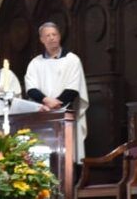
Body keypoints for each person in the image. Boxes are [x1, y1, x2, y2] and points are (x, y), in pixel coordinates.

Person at [24, 22, 90, 160]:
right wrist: (46, 101)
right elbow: (31, 87)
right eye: (47, 35)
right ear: (41, 39)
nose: (51, 38)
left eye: (54, 34)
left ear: (59, 36)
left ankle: (71, 178)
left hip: (65, 113)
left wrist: (57, 104)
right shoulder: (35, 63)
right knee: (44, 152)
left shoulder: (72, 60)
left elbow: (73, 87)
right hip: (43, 113)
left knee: (68, 154)